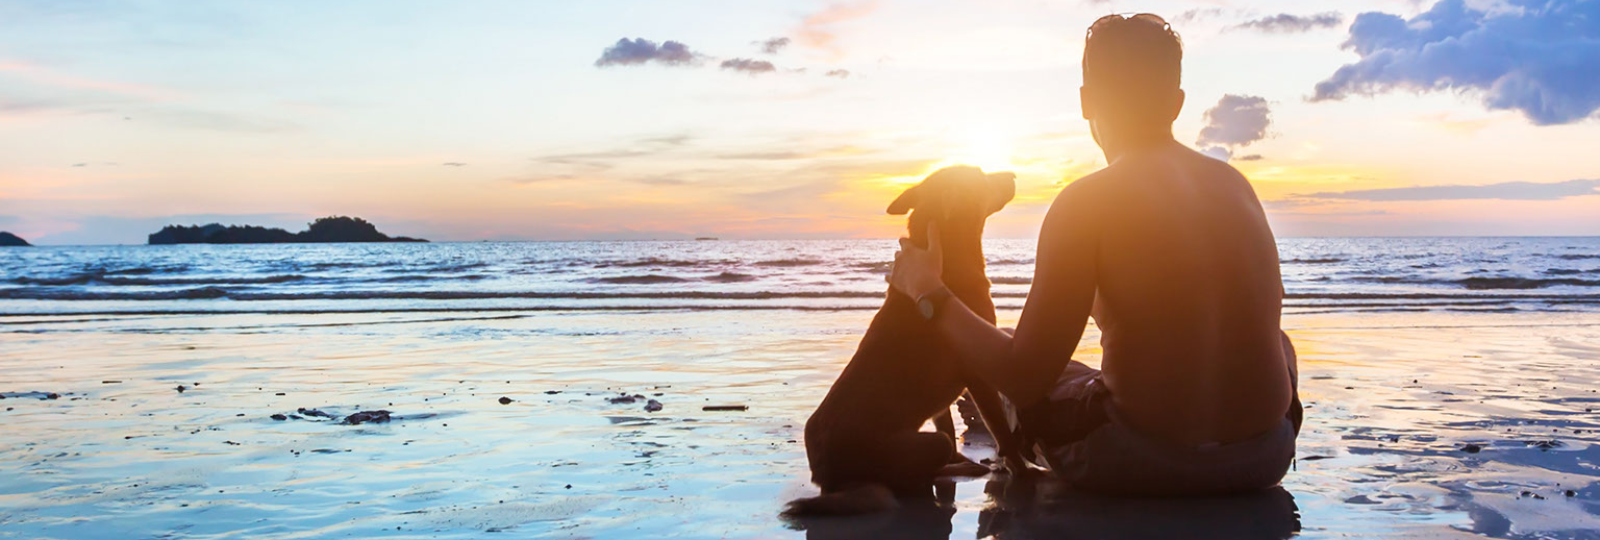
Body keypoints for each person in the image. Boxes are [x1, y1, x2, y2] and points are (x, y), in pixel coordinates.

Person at [886, 13, 1301, 495]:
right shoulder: (1237, 187)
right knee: (1280, 342)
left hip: (1138, 461)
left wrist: (927, 291)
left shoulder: (1085, 203)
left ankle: (991, 418)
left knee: (1011, 361)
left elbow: (1024, 377)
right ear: (1177, 104)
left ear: (1086, 103)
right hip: (1264, 454)